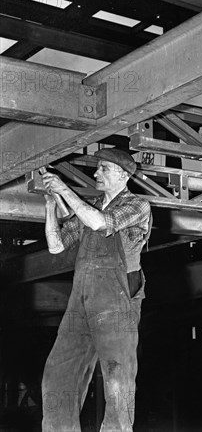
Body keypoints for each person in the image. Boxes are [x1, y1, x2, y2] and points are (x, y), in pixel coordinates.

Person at [40, 148, 151, 431]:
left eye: (103, 168)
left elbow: (101, 223)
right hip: (83, 297)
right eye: (97, 168)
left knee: (117, 377)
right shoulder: (91, 206)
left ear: (123, 175)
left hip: (117, 296)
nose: (96, 173)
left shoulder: (137, 205)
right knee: (57, 374)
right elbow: (56, 245)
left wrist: (64, 189)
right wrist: (51, 207)